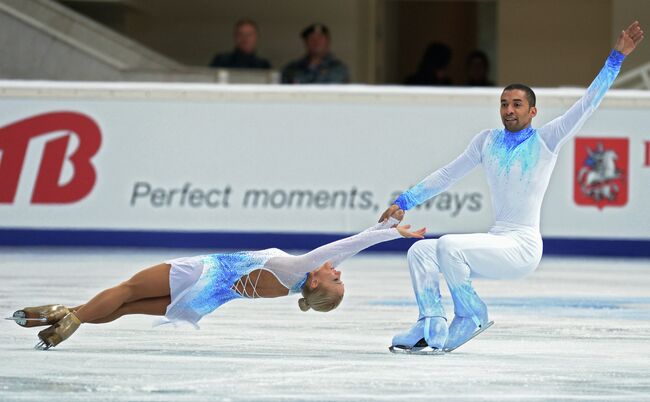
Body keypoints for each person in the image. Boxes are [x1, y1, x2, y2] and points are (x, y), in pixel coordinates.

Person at [380, 21, 644, 352]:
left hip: (522, 247)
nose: (509, 110)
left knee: (448, 245)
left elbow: (587, 105)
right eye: (504, 104)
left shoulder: (547, 140)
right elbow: (448, 174)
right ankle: (430, 322)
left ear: (533, 111)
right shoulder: (486, 141)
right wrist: (405, 200)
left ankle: (471, 314)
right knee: (420, 251)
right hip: (496, 240)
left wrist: (615, 60)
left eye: (517, 104)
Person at [10, 214, 424, 350]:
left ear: (316, 282)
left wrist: (390, 231)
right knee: (126, 309)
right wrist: (386, 229)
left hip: (201, 272)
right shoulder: (290, 285)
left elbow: (348, 245)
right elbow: (346, 251)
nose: (338, 271)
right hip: (207, 298)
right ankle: (64, 315)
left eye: (336, 280)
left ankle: (67, 317)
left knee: (127, 291)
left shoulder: (301, 267)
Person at [282, 23, 349, 84]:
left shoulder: (338, 69)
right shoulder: (292, 69)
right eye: (312, 38)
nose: (316, 42)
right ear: (306, 43)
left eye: (320, 38)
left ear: (328, 42)